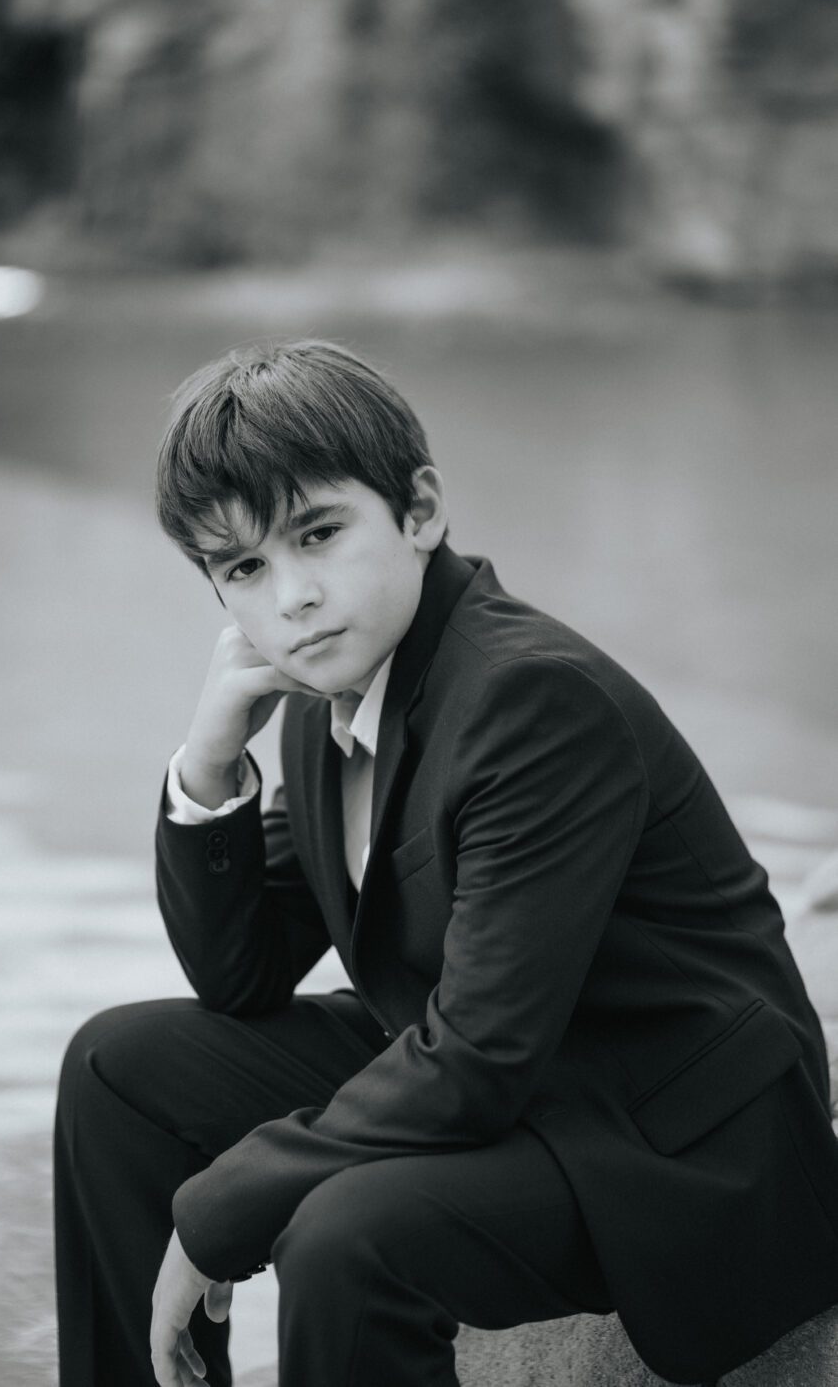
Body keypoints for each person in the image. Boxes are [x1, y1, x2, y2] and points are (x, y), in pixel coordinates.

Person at [54, 339, 838, 1387]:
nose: (292, 597)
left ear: (418, 510)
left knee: (344, 1235)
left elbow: (477, 1057)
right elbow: (241, 975)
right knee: (115, 1068)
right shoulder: (324, 700)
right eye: (244, 569)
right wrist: (209, 759)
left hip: (666, 1133)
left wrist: (219, 1207)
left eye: (318, 534)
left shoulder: (530, 700)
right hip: (515, 1082)